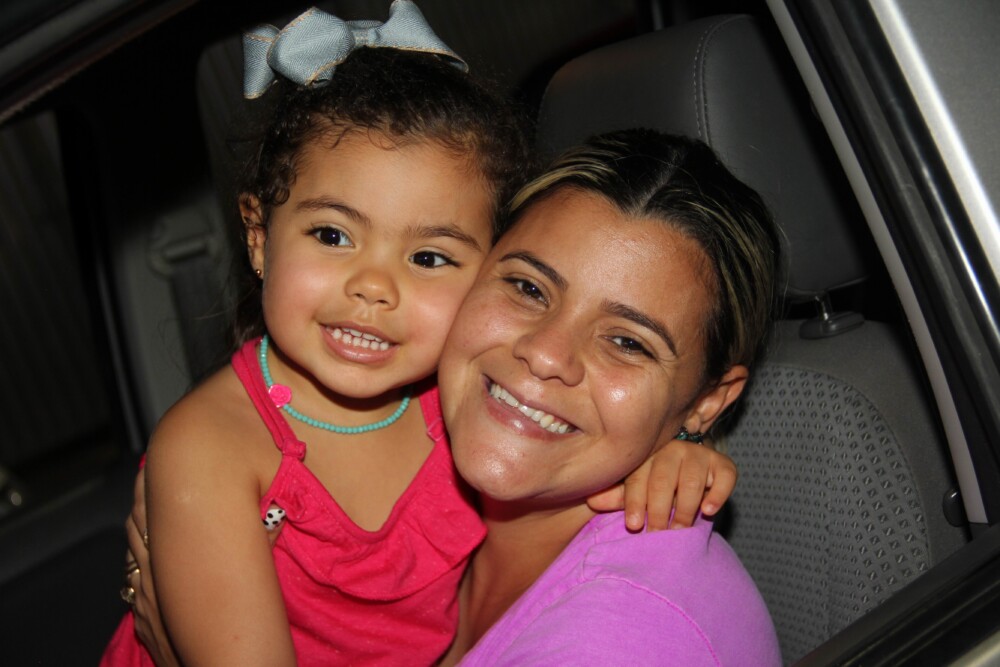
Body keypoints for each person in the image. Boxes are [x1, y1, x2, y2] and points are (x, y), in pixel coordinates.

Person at [101, 4, 738, 666]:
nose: (374, 286)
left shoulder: (464, 404)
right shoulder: (212, 450)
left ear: (486, 271)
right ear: (260, 238)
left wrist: (672, 454)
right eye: (332, 235)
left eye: (429, 257)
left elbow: (574, 464)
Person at [437, 129, 783, 665]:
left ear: (707, 402)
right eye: (528, 288)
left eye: (627, 343)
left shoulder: (623, 638)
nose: (546, 355)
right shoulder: (391, 438)